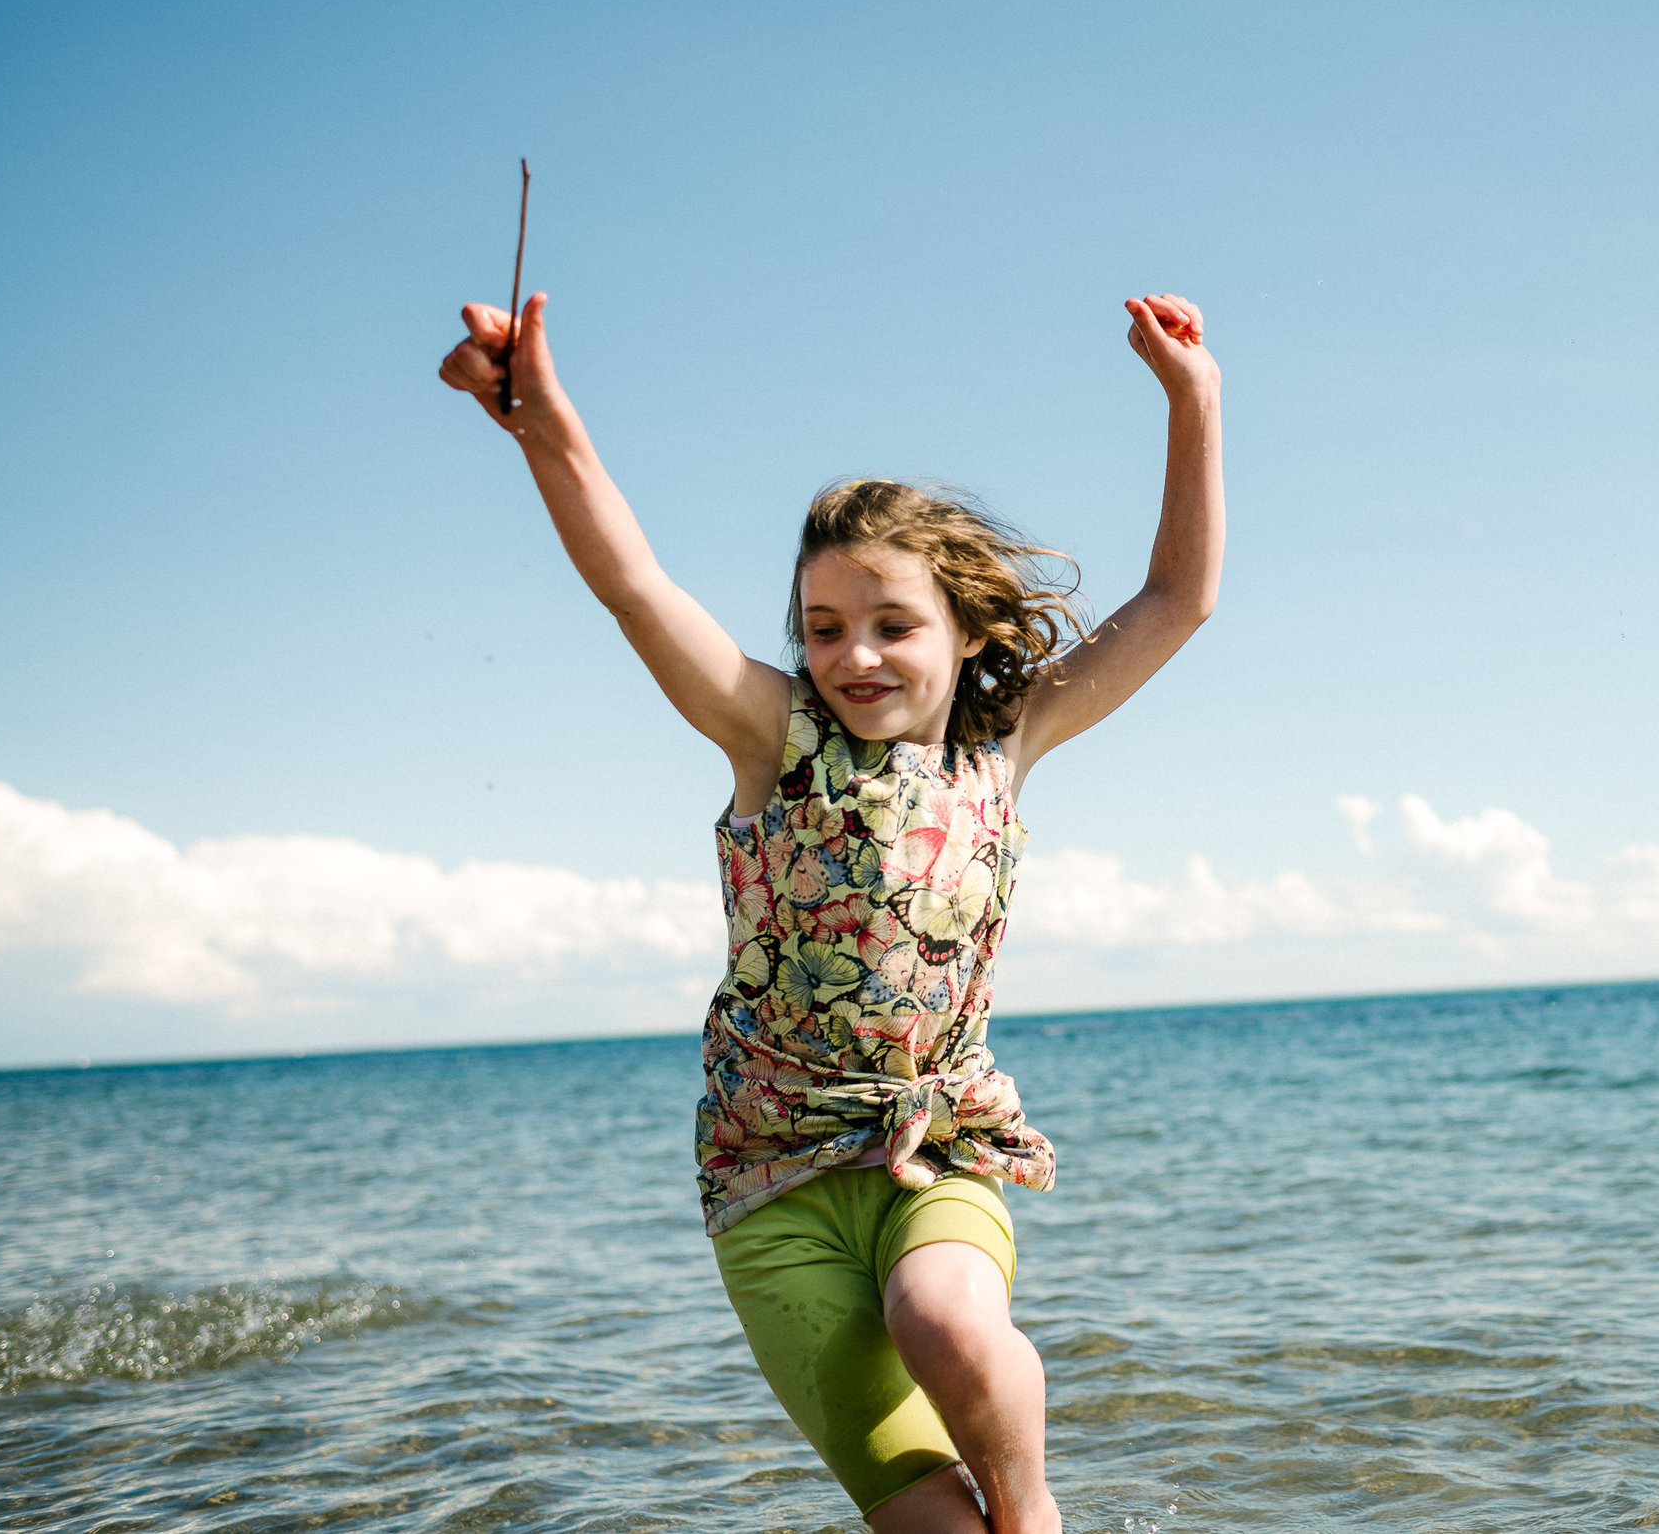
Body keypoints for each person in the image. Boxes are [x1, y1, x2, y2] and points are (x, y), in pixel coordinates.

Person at [437, 288, 1224, 1534]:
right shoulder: (772, 740)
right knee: (919, 1518)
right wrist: (541, 423)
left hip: (936, 1146)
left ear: (968, 632)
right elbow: (635, 586)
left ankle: (1035, 1517)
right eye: (823, 628)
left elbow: (1176, 599)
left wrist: (1193, 403)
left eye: (892, 626)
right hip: (770, 1183)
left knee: (947, 1320)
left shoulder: (1005, 744)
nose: (854, 656)